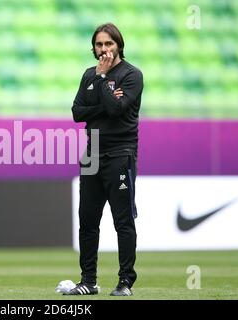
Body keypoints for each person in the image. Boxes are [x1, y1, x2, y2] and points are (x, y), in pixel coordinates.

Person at [66, 23, 144, 296]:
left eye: (108, 44)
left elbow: (117, 110)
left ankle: (125, 282)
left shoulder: (131, 75)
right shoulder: (89, 74)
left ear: (118, 45)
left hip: (120, 154)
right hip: (92, 154)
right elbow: (77, 113)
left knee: (123, 222)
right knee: (88, 221)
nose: (103, 50)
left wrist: (101, 84)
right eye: (99, 45)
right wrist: (102, 93)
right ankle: (88, 281)